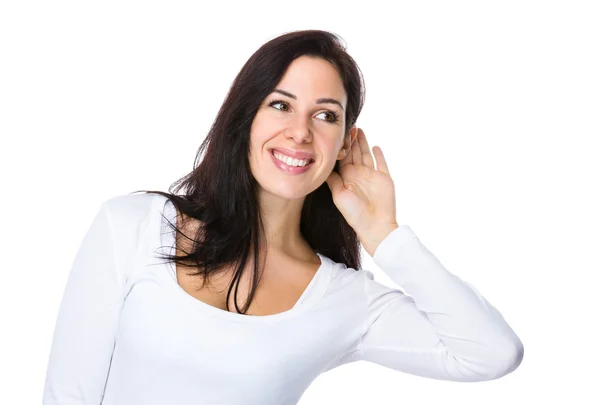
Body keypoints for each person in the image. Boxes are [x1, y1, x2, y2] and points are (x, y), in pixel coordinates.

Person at [42, 29, 524, 405]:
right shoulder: (132, 226)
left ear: (344, 141)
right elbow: (68, 396)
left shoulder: (344, 301)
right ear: (245, 116)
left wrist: (384, 234)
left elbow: (491, 354)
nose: (300, 132)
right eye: (280, 105)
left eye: (325, 115)